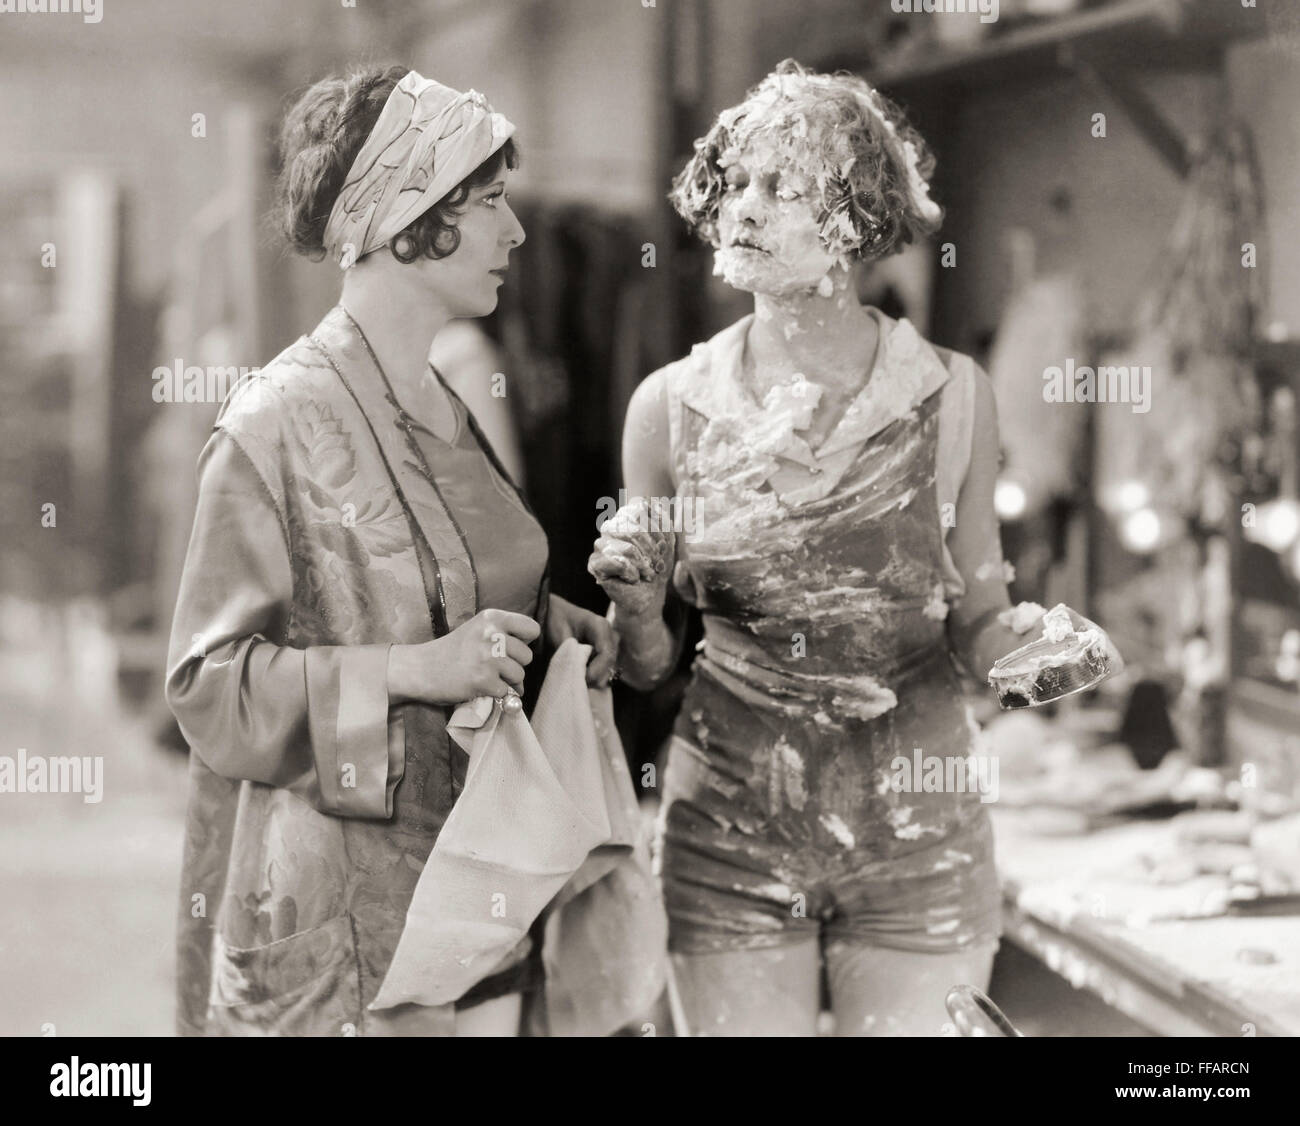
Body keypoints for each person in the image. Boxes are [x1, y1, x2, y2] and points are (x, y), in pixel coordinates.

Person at [591, 60, 1096, 1035]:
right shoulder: (668, 407)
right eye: (737, 182)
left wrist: (1040, 660)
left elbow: (979, 618)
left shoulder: (950, 396)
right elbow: (648, 668)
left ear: (854, 216)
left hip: (917, 836)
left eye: (781, 186)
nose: (744, 206)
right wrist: (639, 610)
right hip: (729, 835)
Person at [166, 64, 614, 1037]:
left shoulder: (440, 400)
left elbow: (438, 583)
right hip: (349, 931)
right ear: (406, 217)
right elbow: (207, 687)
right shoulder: (276, 423)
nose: (516, 232)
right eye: (488, 201)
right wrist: (414, 671)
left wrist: (551, 624)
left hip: (477, 905)